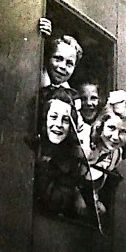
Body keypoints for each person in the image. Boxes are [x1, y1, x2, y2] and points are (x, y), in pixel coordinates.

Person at [83, 94, 126, 216]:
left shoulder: (116, 155)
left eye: (123, 132)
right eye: (111, 128)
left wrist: (96, 201)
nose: (115, 137)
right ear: (101, 126)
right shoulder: (85, 143)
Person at [34, 87, 86, 216]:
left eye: (66, 120)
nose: (59, 124)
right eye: (53, 117)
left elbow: (57, 202)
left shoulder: (71, 161)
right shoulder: (33, 147)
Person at [38, 18, 83, 90]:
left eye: (69, 63)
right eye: (58, 59)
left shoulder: (71, 97)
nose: (63, 66)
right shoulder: (35, 78)